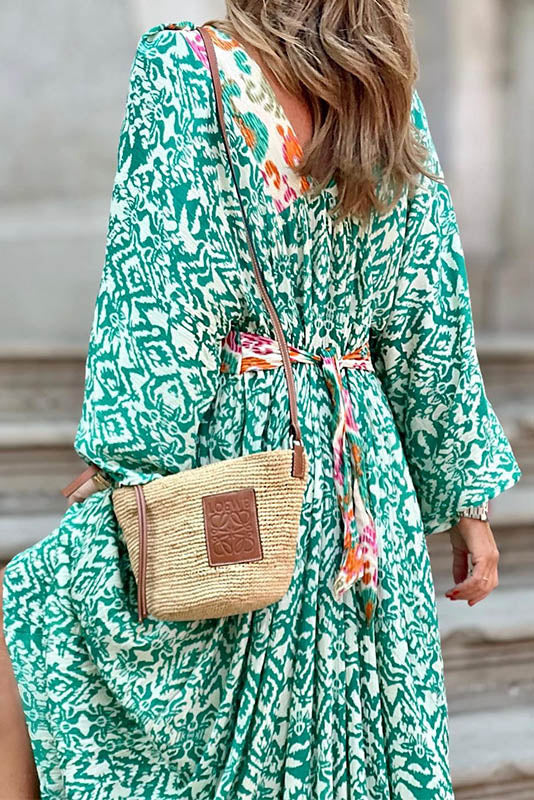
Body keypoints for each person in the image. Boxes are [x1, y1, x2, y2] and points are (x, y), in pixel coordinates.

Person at [0, 3, 521, 798]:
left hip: (246, 462)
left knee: (33, 610)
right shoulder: (384, 90)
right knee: (362, 725)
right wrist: (466, 506)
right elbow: (428, 313)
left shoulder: (191, 69)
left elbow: (168, 283)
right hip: (364, 477)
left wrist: (131, 459)